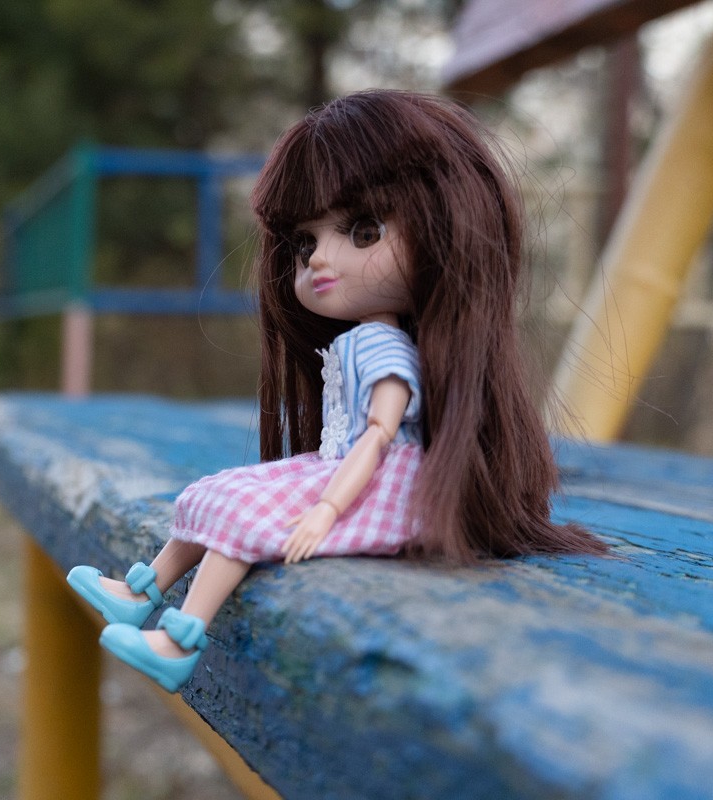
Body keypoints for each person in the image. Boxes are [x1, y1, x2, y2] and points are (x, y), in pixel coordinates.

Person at [67, 90, 607, 692]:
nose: (321, 259)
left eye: (364, 231)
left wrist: (326, 509)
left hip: (376, 486)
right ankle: (140, 592)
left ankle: (179, 640)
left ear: (446, 229)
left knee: (243, 519)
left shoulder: (384, 349)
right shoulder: (359, 341)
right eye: (305, 244)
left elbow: (379, 436)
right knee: (214, 494)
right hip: (338, 471)